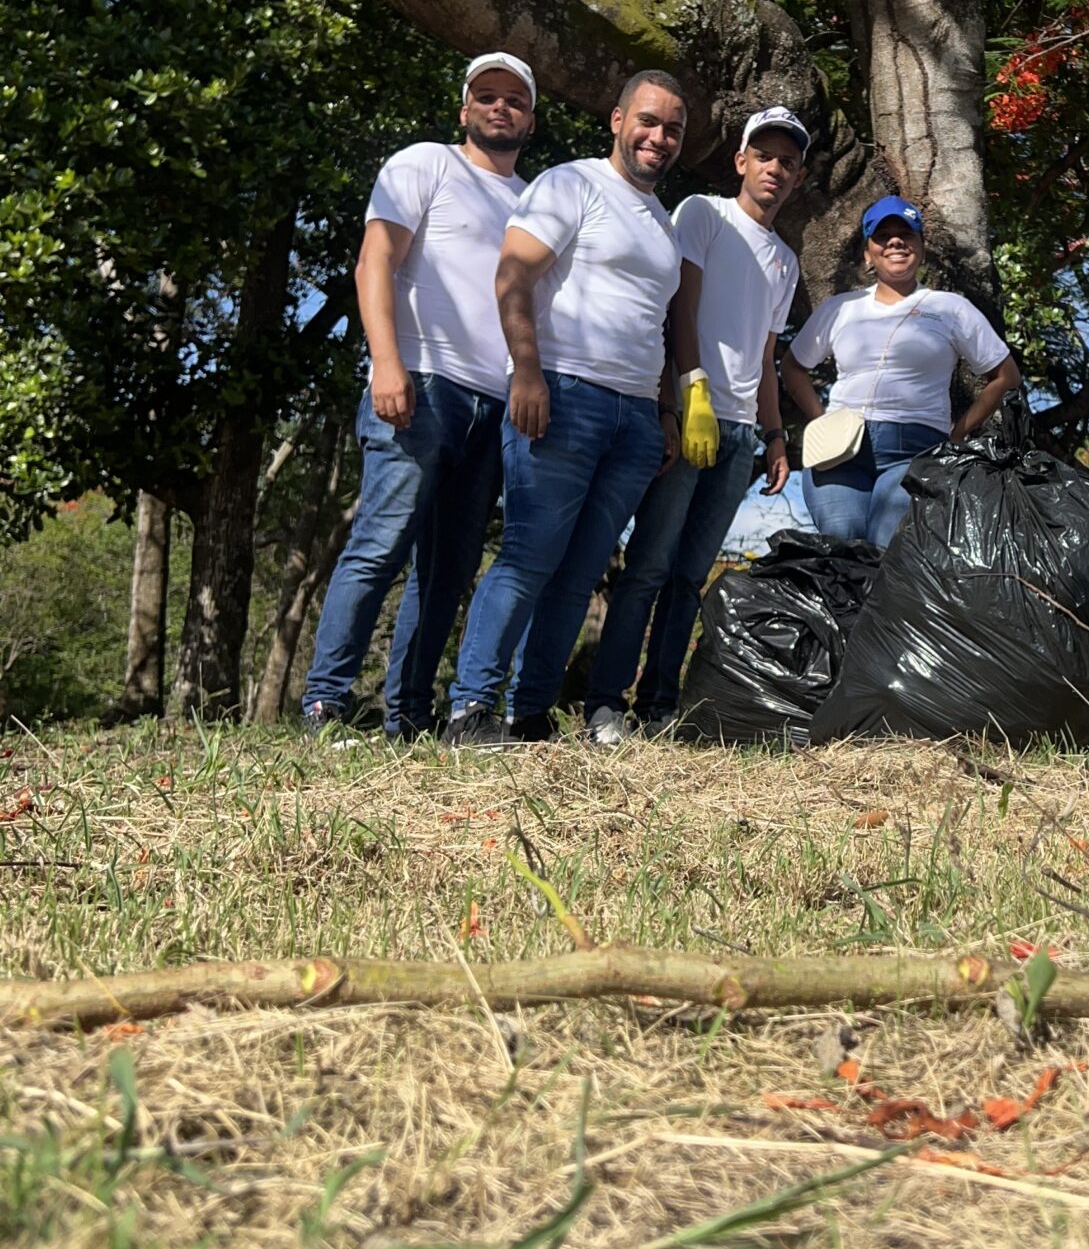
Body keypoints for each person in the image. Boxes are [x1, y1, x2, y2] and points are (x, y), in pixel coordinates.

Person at [444, 71, 688, 746]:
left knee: (579, 576)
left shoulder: (664, 226)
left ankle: (530, 714)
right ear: (616, 120)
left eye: (672, 129)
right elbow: (513, 272)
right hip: (564, 393)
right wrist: (526, 372)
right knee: (529, 556)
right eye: (648, 121)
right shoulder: (571, 184)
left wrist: (664, 413)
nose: (658, 137)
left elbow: (657, 327)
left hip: (635, 418)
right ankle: (470, 710)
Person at [301, 52, 537, 738]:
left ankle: (407, 715)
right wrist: (386, 362)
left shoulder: (534, 202)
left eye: (514, 99)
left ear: (530, 118)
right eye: (486, 96)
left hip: (494, 408)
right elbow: (375, 259)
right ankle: (326, 703)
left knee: (449, 571)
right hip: (422, 384)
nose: (500, 107)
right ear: (465, 109)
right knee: (380, 544)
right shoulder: (425, 163)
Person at [581, 107, 810, 744]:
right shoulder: (704, 215)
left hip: (740, 436)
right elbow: (679, 310)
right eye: (764, 155)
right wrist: (688, 396)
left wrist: (774, 436)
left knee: (690, 576)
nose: (775, 168)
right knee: (649, 565)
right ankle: (605, 703)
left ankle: (659, 706)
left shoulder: (786, 261)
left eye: (788, 161)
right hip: (690, 419)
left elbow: (765, 357)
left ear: (797, 176)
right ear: (742, 160)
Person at [782, 197, 1019, 549]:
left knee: (889, 551)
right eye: (883, 236)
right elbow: (792, 366)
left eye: (906, 234)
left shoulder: (950, 308)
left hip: (917, 448)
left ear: (921, 248)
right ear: (868, 253)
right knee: (841, 551)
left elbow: (1006, 376)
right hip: (839, 450)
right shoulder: (840, 308)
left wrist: (958, 434)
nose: (895, 242)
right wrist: (820, 421)